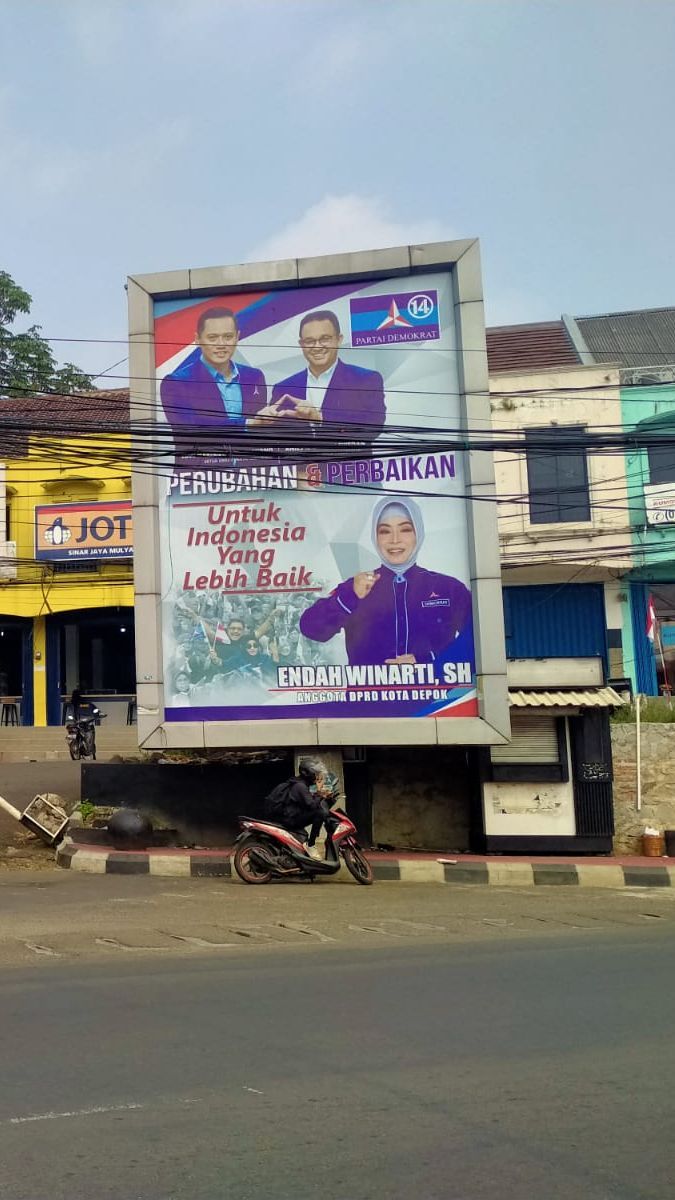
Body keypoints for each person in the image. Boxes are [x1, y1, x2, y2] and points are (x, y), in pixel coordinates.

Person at [299, 497, 474, 668]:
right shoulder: (356, 587)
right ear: (375, 537)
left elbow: (478, 639)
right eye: (385, 531)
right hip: (367, 697)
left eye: (405, 529)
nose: (395, 539)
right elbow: (310, 628)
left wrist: (428, 658)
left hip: (436, 696)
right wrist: (349, 596)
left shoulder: (449, 589)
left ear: (418, 533)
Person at [253, 309, 385, 446]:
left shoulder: (366, 380)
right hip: (301, 466)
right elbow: (274, 437)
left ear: (339, 340)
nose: (317, 347)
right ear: (301, 344)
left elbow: (374, 426)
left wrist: (320, 418)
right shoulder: (283, 388)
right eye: (309, 341)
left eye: (324, 339)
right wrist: (262, 423)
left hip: (348, 465)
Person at [160, 307, 267, 442]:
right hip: (204, 462)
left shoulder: (254, 377)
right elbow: (190, 431)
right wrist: (247, 424)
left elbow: (261, 432)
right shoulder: (176, 383)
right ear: (197, 339)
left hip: (251, 461)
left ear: (237, 337)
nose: (221, 344)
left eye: (228, 337)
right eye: (212, 338)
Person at [265, 758, 337, 857]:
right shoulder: (300, 786)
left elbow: (309, 800)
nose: (316, 776)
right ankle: (311, 845)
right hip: (290, 820)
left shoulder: (300, 784)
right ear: (306, 773)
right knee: (319, 813)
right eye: (315, 773)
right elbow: (311, 805)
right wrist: (321, 795)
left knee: (318, 811)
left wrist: (321, 795)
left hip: (291, 817)